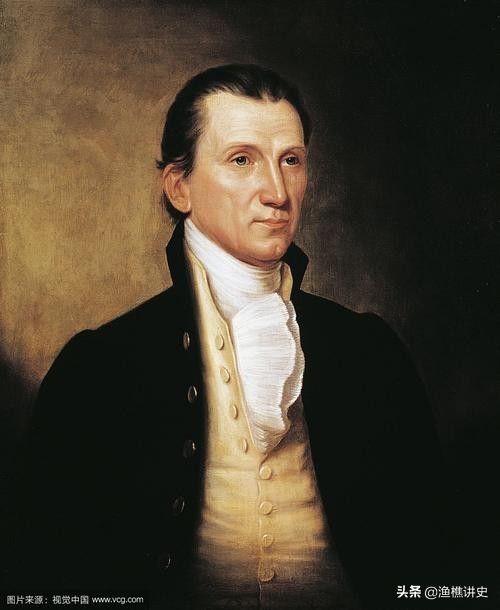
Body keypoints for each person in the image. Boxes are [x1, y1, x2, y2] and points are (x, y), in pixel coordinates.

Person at [19, 65, 447, 609]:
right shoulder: (101, 368)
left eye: (290, 160)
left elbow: (431, 560)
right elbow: (52, 574)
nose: (277, 192)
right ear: (179, 187)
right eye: (242, 160)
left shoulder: (370, 354)